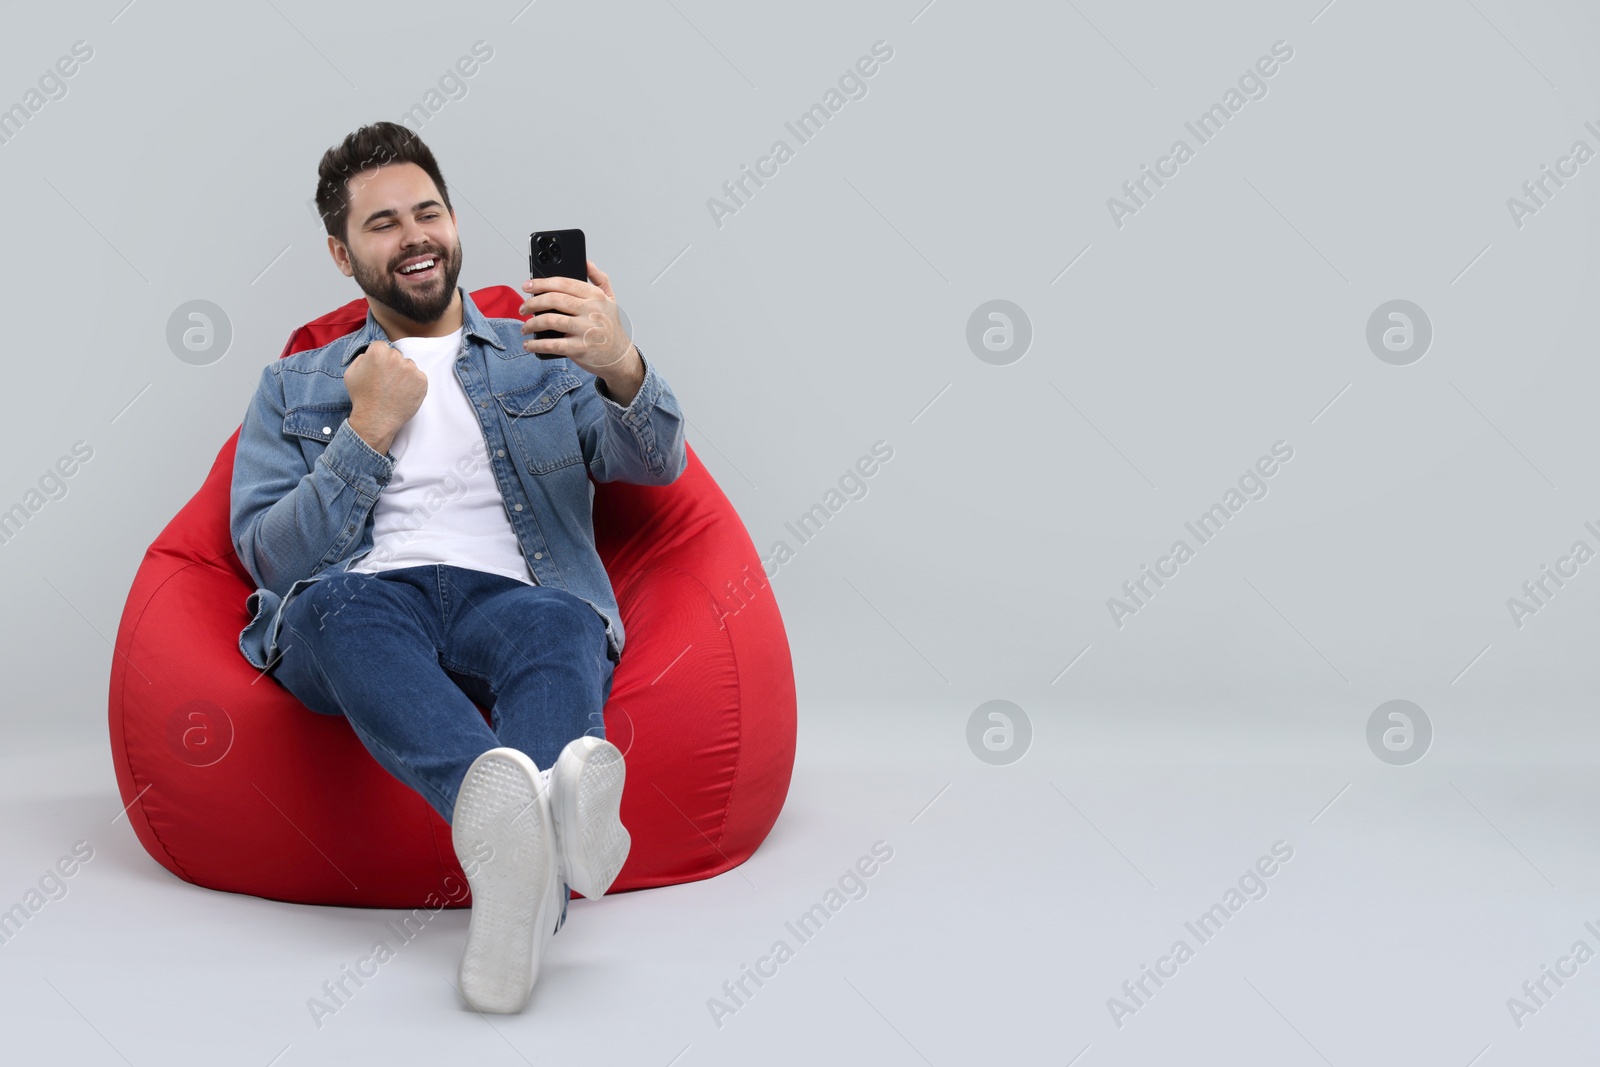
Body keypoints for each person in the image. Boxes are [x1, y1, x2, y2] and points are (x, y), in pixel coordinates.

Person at [228, 121, 687, 1014]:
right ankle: (558, 817)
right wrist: (367, 429)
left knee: (565, 620)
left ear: (453, 220)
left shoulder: (541, 352)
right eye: (383, 223)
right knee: (330, 610)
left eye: (427, 212)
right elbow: (273, 556)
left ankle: (514, 894)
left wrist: (620, 362)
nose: (414, 238)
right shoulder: (295, 383)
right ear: (341, 251)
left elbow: (656, 462)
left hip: (517, 599)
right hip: (366, 606)